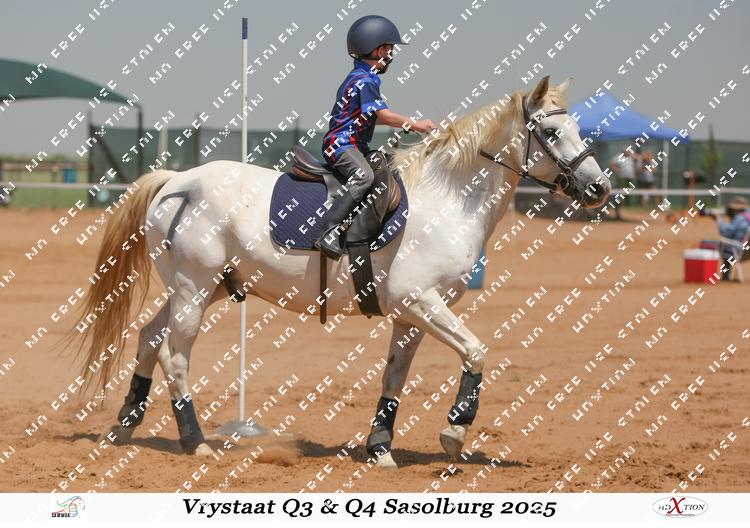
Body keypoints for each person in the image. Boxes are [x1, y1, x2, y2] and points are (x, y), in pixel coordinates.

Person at [314, 15, 437, 260]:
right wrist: (417, 124)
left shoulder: (361, 77)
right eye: (389, 49)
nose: (390, 55)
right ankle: (327, 230)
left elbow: (372, 118)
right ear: (379, 50)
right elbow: (385, 116)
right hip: (342, 145)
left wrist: (406, 125)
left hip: (352, 144)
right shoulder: (365, 81)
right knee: (364, 176)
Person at [707, 196, 750, 280]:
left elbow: (725, 232)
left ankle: (724, 277)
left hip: (738, 251)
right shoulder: (747, 216)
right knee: (729, 246)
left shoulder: (739, 218)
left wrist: (718, 219)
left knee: (709, 243)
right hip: (747, 252)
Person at [608, 147, 639, 217]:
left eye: (628, 151)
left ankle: (627, 204)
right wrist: (616, 169)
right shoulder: (620, 156)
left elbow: (640, 158)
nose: (628, 152)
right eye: (626, 151)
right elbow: (611, 162)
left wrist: (634, 155)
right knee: (621, 193)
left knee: (629, 192)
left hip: (631, 178)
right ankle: (619, 206)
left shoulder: (631, 157)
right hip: (622, 178)